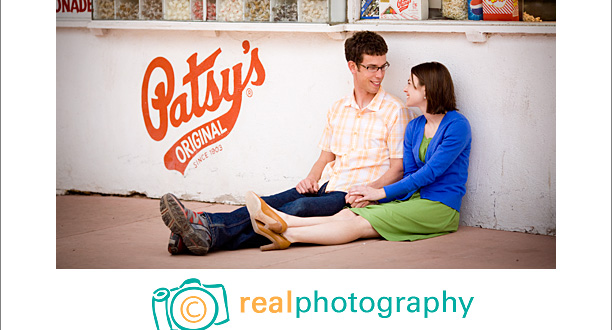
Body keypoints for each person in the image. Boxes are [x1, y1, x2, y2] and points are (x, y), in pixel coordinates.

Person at [160, 31, 414, 255]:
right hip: (329, 185)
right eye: (371, 67)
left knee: (297, 208)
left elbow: (397, 169)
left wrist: (369, 192)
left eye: (382, 66)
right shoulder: (338, 108)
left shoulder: (394, 110)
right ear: (352, 67)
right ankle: (200, 228)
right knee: (266, 203)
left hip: (354, 195)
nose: (379, 74)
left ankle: (202, 229)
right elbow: (326, 157)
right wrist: (310, 179)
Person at [244, 62, 472, 250]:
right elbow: (410, 174)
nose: (405, 88)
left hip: (439, 207)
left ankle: (289, 234)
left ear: (427, 90)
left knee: (360, 224)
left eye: (411, 84)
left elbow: (429, 173)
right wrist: (378, 198)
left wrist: (379, 192)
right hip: (412, 200)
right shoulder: (414, 127)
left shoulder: (457, 125)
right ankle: (283, 225)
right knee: (348, 214)